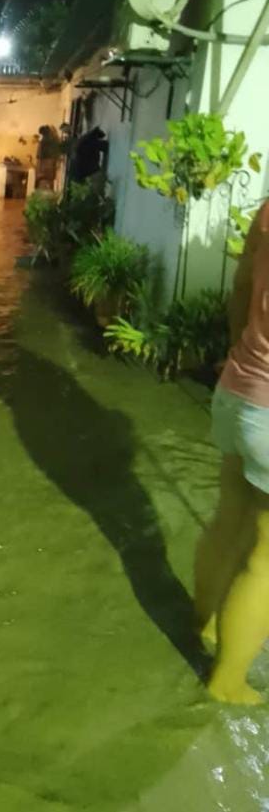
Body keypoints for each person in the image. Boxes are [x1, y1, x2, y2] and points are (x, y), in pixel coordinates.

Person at [195, 201, 269, 704]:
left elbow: (242, 288)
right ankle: (227, 682)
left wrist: (235, 353)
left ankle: (204, 626)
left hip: (239, 387)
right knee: (267, 561)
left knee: (230, 519)